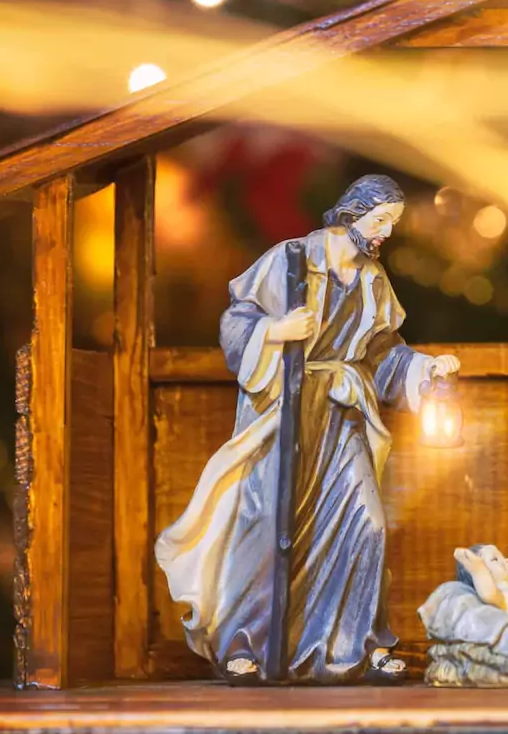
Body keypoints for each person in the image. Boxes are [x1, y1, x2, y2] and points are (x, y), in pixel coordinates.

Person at [154, 175, 460, 684]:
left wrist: (425, 370)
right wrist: (275, 331)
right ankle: (244, 643)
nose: (386, 232)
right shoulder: (291, 259)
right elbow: (238, 321)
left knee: (367, 522)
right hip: (285, 413)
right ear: (352, 213)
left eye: (393, 223)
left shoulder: (372, 280)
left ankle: (359, 643)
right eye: (381, 220)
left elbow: (383, 353)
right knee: (268, 524)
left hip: (342, 419)